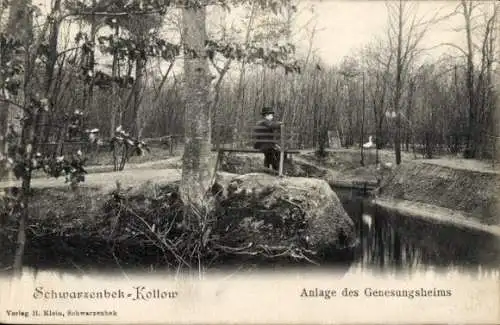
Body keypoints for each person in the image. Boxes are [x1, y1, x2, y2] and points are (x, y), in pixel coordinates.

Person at [253, 106, 283, 171]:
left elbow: (266, 136)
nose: (272, 116)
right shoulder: (265, 122)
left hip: (263, 145)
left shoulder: (262, 122)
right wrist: (280, 123)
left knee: (275, 154)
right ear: (266, 115)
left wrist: (275, 145)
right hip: (265, 146)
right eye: (271, 115)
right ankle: (275, 171)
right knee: (273, 157)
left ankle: (267, 169)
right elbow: (272, 125)